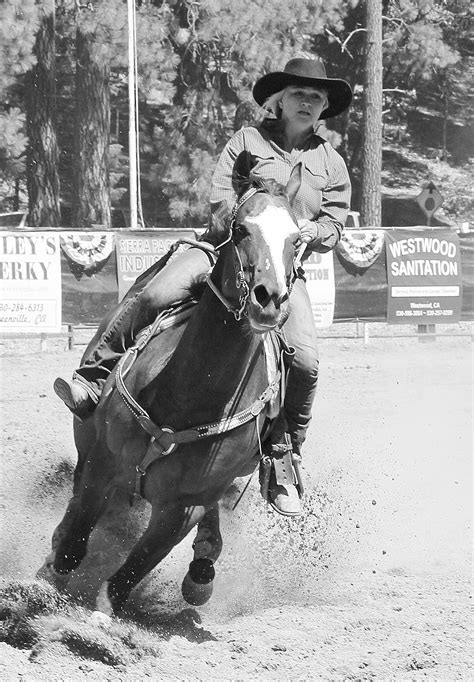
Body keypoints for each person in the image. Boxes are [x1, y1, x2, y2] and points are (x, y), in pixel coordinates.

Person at [54, 57, 352, 516]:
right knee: (154, 295)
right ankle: (95, 379)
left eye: (317, 96)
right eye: (299, 93)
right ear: (280, 99)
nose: (307, 101)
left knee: (306, 360)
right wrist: (246, 221)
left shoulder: (330, 163)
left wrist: (315, 232)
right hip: (220, 251)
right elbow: (219, 200)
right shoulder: (248, 141)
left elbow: (335, 222)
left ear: (325, 106)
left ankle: (282, 454)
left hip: (281, 271)